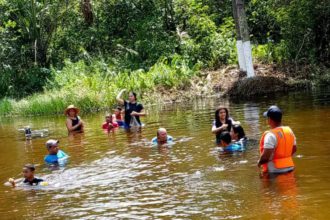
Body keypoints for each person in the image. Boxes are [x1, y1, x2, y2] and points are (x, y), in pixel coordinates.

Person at [258, 106, 297, 174]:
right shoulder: (289, 131)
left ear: (269, 120)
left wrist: (258, 163)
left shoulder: (270, 135)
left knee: (268, 184)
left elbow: (265, 157)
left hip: (274, 171)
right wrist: (284, 159)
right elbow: (294, 149)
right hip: (290, 168)